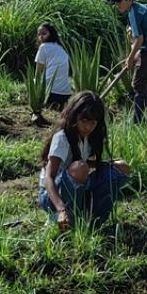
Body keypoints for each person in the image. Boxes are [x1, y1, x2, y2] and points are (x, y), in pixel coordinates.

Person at [38, 91, 132, 229]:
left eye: (93, 122)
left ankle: (92, 221)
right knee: (80, 168)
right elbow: (49, 177)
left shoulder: (90, 137)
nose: (88, 127)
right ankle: (65, 218)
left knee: (122, 167)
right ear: (74, 116)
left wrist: (106, 165)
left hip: (76, 185)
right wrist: (61, 209)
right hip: (52, 196)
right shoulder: (62, 138)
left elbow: (84, 163)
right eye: (84, 121)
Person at [108, 0, 147, 123]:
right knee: (141, 82)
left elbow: (139, 39)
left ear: (130, 0)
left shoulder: (133, 13)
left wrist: (130, 57)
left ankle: (137, 121)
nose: (117, 4)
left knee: (138, 84)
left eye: (120, 1)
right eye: (115, 1)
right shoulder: (140, 7)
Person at [34, 22, 73, 111]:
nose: (41, 37)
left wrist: (35, 92)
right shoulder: (61, 48)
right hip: (66, 94)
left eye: (44, 33)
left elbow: (38, 72)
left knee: (33, 82)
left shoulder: (43, 47)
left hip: (50, 93)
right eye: (39, 34)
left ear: (51, 34)